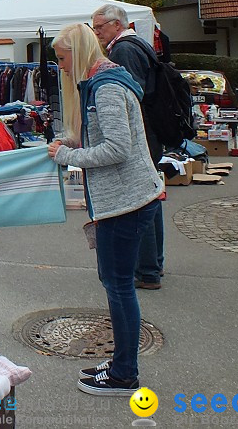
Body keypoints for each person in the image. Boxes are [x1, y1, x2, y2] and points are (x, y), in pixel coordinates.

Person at [47, 23, 164, 396]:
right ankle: (121, 364)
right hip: (125, 202)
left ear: (78, 52)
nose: (61, 67)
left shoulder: (107, 87)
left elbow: (117, 148)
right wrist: (69, 141)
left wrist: (69, 154)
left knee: (118, 287)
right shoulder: (103, 82)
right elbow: (102, 136)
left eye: (62, 59)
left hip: (124, 204)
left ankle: (124, 375)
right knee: (116, 285)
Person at [91, 3, 166, 291]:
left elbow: (129, 94)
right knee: (151, 196)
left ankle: (147, 271)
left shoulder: (123, 50)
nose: (97, 33)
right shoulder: (141, 44)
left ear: (117, 25)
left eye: (100, 27)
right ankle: (154, 263)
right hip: (150, 129)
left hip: (141, 132)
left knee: (140, 201)